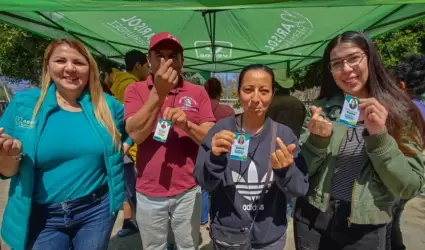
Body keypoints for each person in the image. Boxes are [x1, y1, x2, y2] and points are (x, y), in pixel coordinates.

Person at [294, 31, 425, 250]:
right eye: (336, 63)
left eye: (354, 58)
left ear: (370, 58)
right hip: (312, 217)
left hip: (365, 226)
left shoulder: (401, 112)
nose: (346, 69)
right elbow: (301, 173)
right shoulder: (322, 109)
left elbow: (409, 187)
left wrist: (380, 137)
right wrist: (318, 141)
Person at [0, 38, 132, 250]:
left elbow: (133, 129)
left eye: (79, 62)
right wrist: (8, 154)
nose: (70, 68)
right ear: (48, 66)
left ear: (90, 69)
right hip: (41, 215)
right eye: (60, 60)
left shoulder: (107, 105)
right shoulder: (23, 105)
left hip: (96, 210)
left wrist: (120, 150)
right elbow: (6, 171)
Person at [194, 64, 309, 249]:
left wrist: (286, 170)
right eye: (248, 90)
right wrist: (215, 159)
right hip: (229, 237)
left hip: (270, 238)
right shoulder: (220, 131)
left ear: (272, 95)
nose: (255, 98)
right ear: (239, 93)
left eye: (264, 91)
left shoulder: (284, 136)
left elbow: (299, 189)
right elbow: (204, 182)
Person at [124, 32, 216, 250]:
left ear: (182, 60)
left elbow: (210, 139)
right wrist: (159, 92)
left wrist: (187, 126)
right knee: (154, 246)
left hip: (188, 190)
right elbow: (135, 133)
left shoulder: (197, 92)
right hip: (148, 192)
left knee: (187, 245)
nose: (167, 62)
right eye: (159, 56)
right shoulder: (135, 90)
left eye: (173, 56)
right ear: (149, 60)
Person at [104, 51, 150, 238]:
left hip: (127, 148)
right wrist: (131, 145)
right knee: (139, 194)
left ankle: (134, 224)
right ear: (138, 65)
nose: (149, 71)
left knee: (131, 192)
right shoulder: (131, 86)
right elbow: (132, 123)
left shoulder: (121, 84)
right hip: (132, 150)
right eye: (147, 66)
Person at [389, 54, 425, 250]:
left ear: (401, 85)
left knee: (387, 224)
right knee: (394, 220)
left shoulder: (404, 111)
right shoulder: (421, 107)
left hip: (399, 175)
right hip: (415, 174)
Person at [201, 77, 235, 228]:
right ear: (220, 92)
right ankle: (218, 217)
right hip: (225, 153)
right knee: (222, 185)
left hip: (203, 151)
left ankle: (203, 218)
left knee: (203, 187)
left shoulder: (200, 108)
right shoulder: (228, 110)